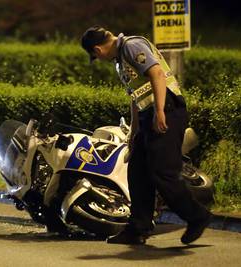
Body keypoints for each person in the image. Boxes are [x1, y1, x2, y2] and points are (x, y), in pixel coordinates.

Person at [81, 26, 212, 245]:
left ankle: (197, 216)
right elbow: (136, 95)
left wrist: (160, 112)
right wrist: (134, 129)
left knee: (163, 172)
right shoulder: (121, 58)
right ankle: (137, 228)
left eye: (96, 56)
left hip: (167, 109)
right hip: (148, 115)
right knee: (137, 170)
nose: (99, 59)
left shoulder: (132, 46)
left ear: (97, 49)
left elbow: (157, 74)